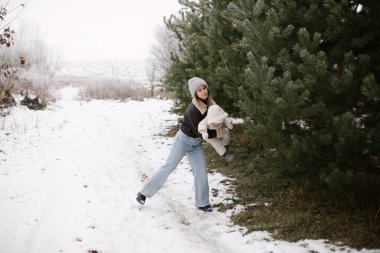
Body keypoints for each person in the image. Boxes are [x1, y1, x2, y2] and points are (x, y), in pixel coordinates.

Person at [136, 77, 217, 212]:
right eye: (199, 90)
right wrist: (218, 134)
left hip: (196, 143)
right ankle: (143, 193)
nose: (203, 91)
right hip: (183, 140)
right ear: (195, 93)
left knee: (201, 171)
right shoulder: (193, 109)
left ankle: (202, 203)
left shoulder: (211, 104)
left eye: (204, 88)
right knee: (168, 167)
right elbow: (203, 132)